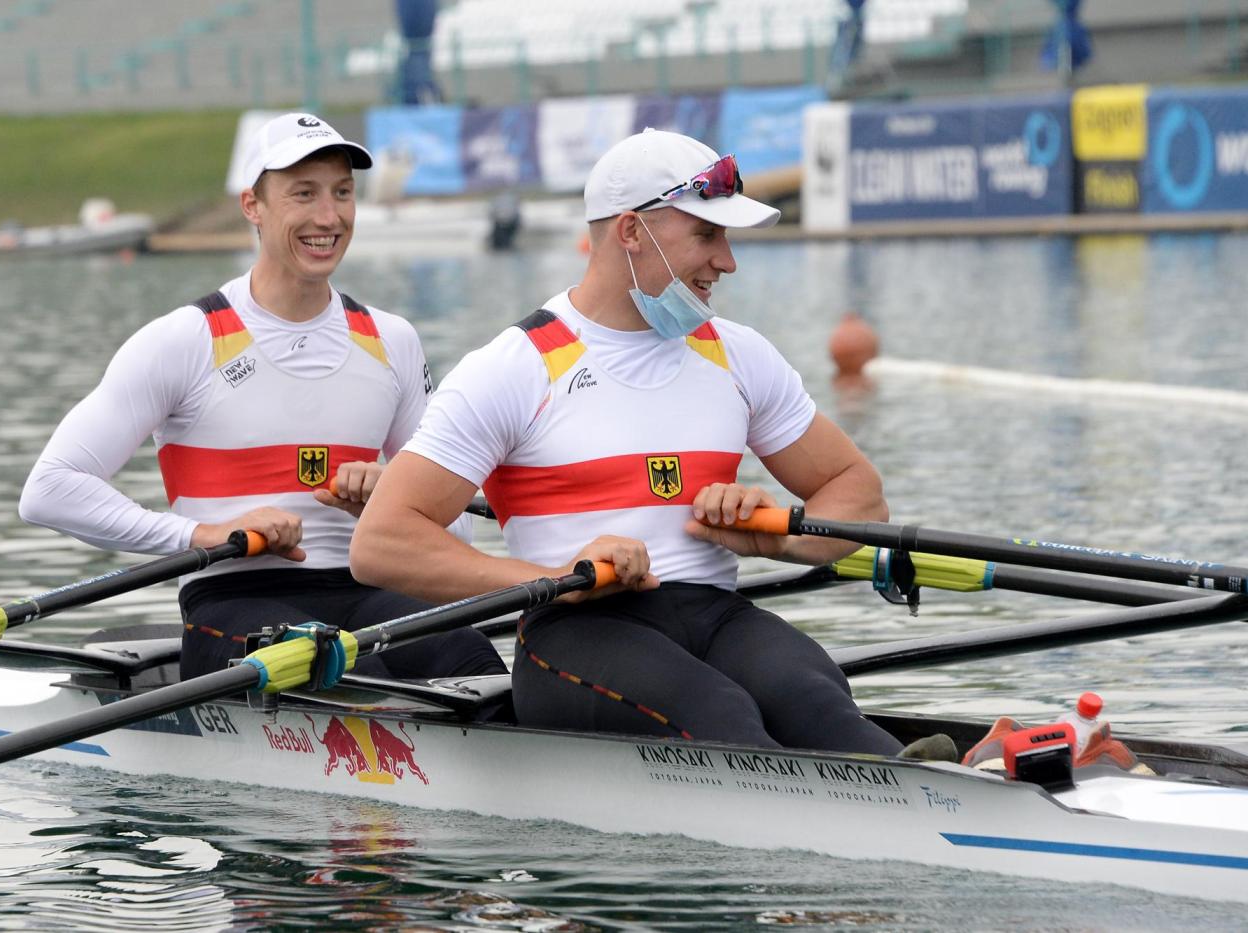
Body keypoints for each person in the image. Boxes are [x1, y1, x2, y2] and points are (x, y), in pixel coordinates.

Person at [350, 129, 908, 756]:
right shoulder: (516, 368)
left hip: (716, 616)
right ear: (632, 231)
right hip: (576, 631)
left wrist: (782, 538)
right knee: (719, 715)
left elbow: (860, 495)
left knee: (814, 702)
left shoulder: (736, 354)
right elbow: (382, 543)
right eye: (707, 235)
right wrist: (556, 577)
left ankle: (941, 788)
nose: (728, 261)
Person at [20, 112, 505, 683]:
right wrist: (203, 535)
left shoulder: (391, 340)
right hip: (232, 598)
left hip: (367, 590)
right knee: (324, 667)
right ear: (253, 205)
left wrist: (392, 499)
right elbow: (50, 490)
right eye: (304, 194)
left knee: (473, 660)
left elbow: (456, 527)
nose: (329, 217)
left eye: (342, 193)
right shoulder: (185, 340)